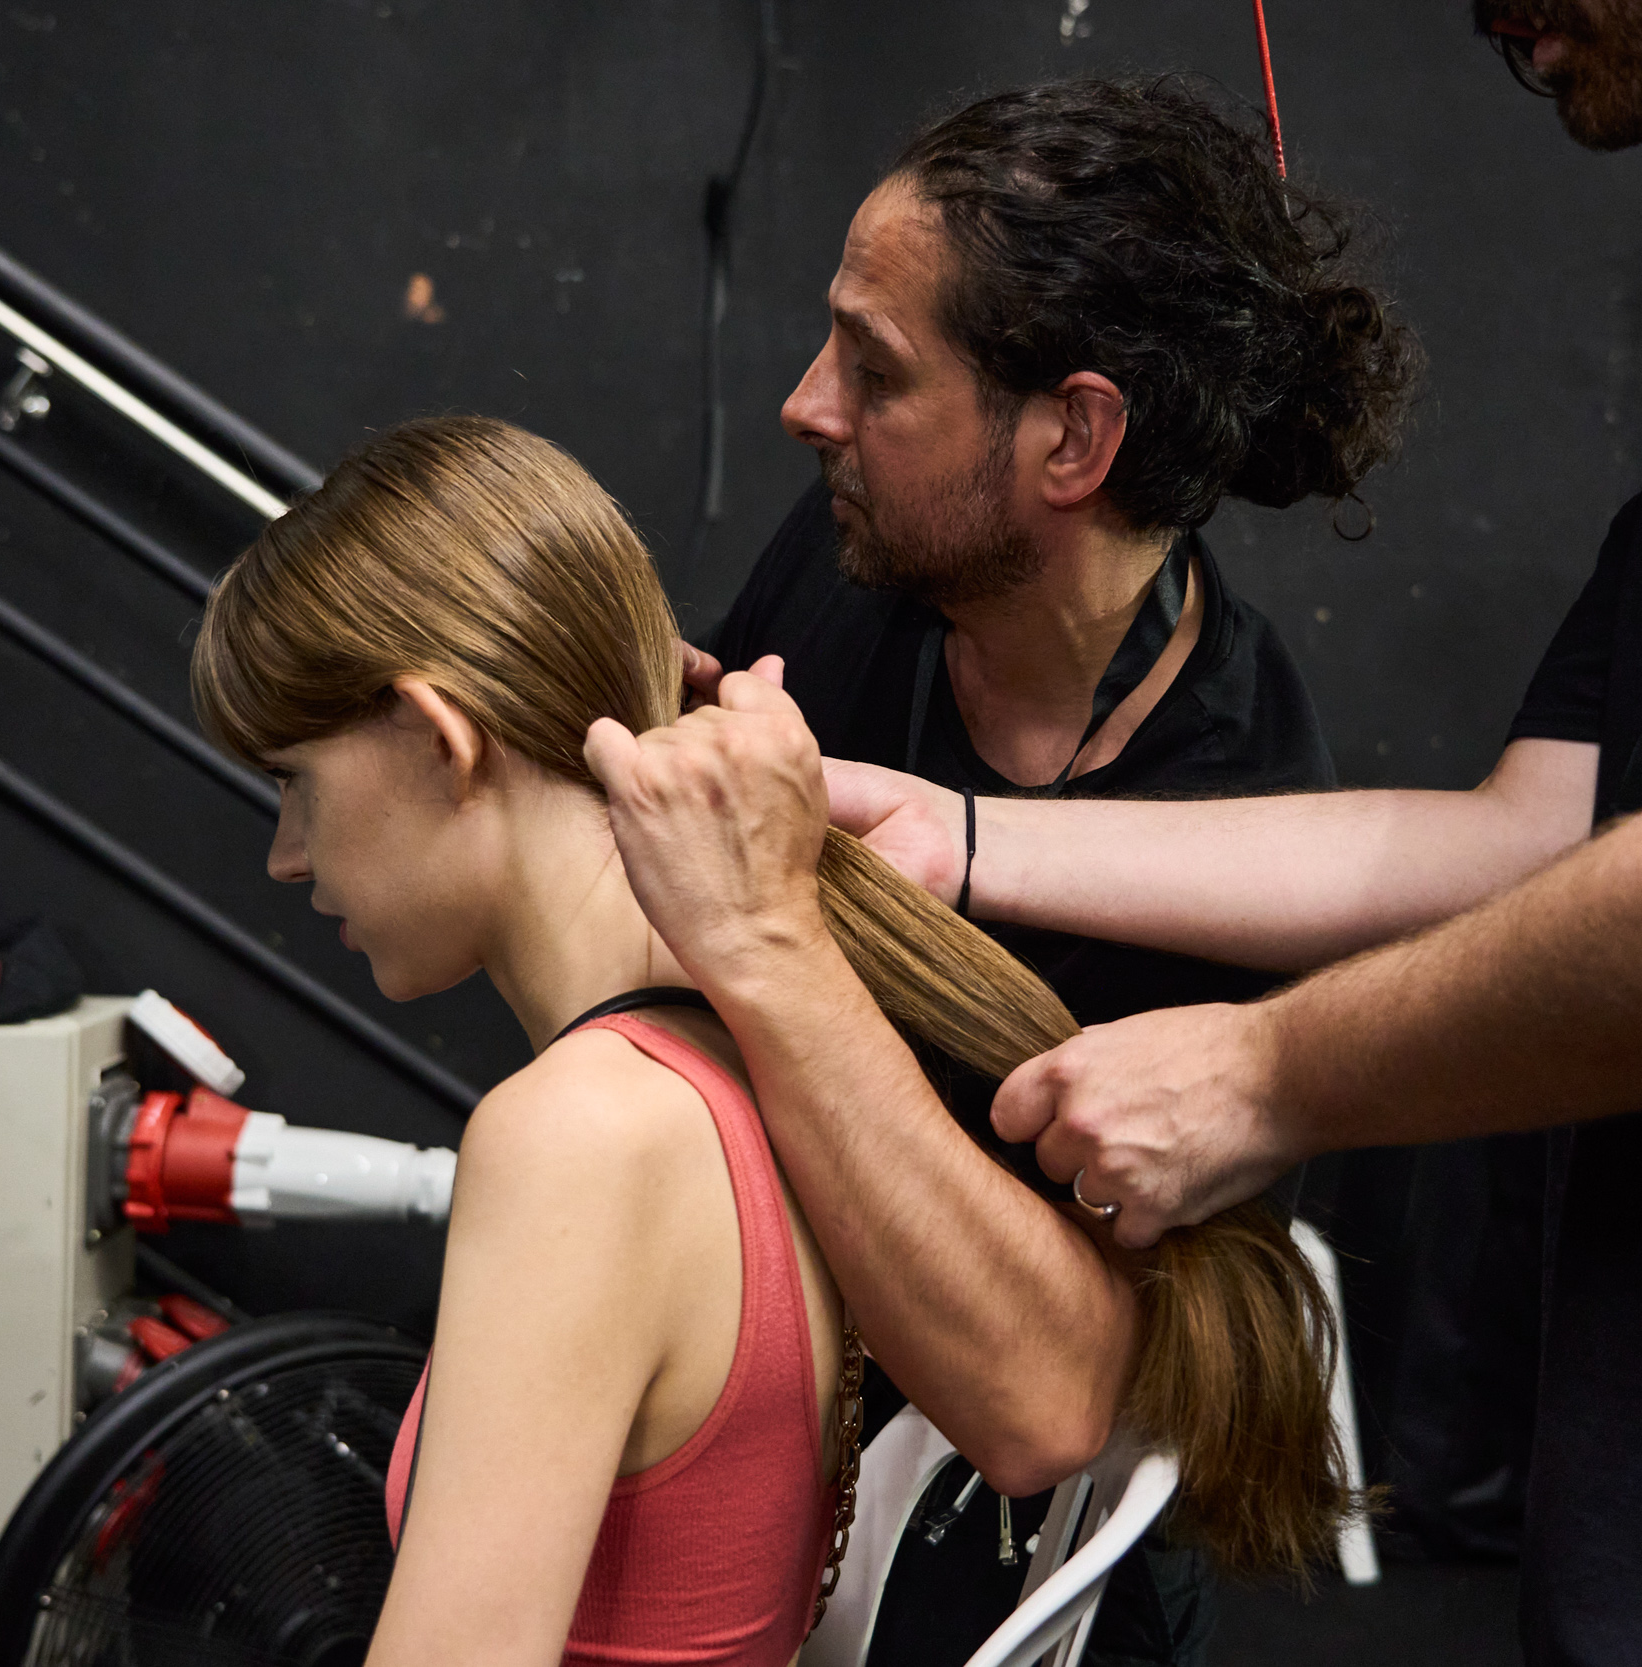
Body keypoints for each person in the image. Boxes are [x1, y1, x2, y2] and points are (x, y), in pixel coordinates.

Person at [596, 3, 1642, 1662]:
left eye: (880, 370)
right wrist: (961, 839)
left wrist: (1263, 1073)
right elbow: (1541, 835)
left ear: (1074, 437)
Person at [191, 415, 1344, 1667]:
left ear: (436, 732)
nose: (284, 856)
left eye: (294, 782)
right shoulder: (758, 1068)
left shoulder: (583, 1137)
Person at [686, 76, 1415, 1661]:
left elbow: (1041, 1398)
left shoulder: (1247, 819)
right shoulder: (841, 565)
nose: (809, 404)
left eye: (875, 369)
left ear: (1073, 435)